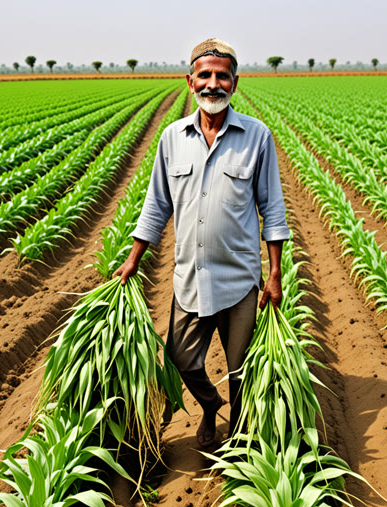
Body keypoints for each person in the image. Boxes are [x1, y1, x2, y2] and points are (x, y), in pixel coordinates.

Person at [113, 38, 289, 448]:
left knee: (241, 368)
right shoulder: (172, 138)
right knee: (181, 360)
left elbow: (273, 210)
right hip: (189, 277)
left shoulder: (257, 136)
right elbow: (156, 206)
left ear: (236, 82)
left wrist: (275, 273)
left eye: (222, 76)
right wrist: (133, 259)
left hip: (240, 278)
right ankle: (211, 407)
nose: (214, 84)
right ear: (190, 82)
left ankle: (240, 437)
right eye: (205, 76)